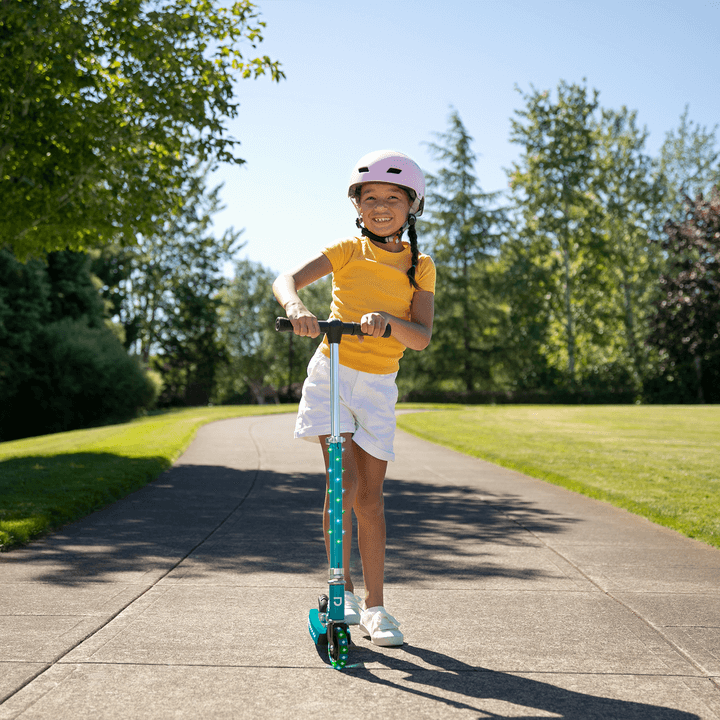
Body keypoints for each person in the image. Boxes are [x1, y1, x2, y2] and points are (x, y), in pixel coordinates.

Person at [272, 150, 435, 647]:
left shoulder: (419, 266)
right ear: (357, 206)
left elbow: (422, 336)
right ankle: (338, 595)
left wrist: (389, 319)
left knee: (371, 498)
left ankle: (376, 606)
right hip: (334, 373)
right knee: (340, 487)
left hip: (379, 385)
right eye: (370, 198)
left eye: (393, 198)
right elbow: (286, 279)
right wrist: (297, 306)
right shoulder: (347, 249)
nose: (381, 206)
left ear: (412, 206)